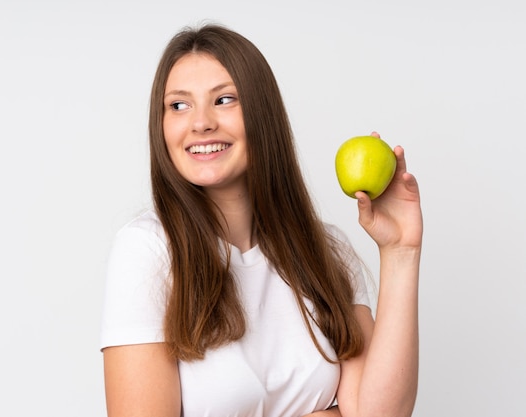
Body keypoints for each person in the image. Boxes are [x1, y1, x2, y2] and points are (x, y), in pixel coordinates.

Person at [100, 23, 422, 417]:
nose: (200, 122)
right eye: (178, 105)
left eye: (224, 99)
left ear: (262, 113)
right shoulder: (147, 250)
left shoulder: (327, 251)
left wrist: (400, 251)